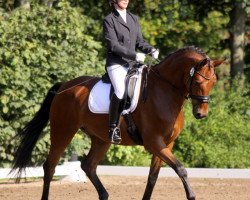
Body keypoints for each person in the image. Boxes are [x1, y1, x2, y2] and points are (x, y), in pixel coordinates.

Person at [103, 0, 159, 144]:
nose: (126, 0)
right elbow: (113, 45)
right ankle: (113, 128)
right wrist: (134, 55)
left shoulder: (133, 18)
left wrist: (150, 49)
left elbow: (140, 41)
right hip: (116, 63)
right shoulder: (109, 20)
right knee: (121, 91)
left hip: (133, 64)